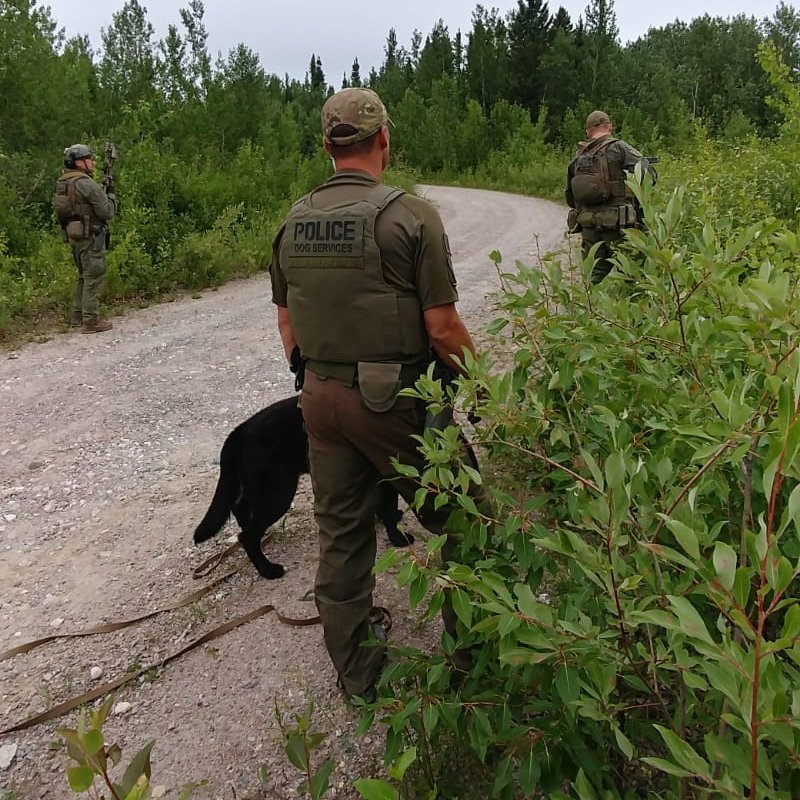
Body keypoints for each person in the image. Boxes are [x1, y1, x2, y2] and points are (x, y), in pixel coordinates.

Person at [269, 87, 479, 702]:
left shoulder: (292, 220)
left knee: (341, 534)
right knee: (469, 523)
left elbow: (287, 323)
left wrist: (317, 380)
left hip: (319, 400)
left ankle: (359, 677)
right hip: (397, 403)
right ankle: (471, 665)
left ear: (326, 145)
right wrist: (479, 382)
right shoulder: (410, 216)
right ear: (384, 138)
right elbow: (442, 329)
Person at [565, 110, 656, 284]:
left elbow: (570, 197)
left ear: (588, 131)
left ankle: (588, 309)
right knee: (633, 277)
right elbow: (649, 177)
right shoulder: (619, 147)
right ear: (610, 127)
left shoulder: (578, 157)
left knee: (592, 279)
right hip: (618, 226)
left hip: (589, 227)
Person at [53, 144, 116, 333]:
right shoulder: (86, 183)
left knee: (82, 276)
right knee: (93, 276)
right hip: (91, 235)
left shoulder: (63, 182)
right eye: (88, 158)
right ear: (79, 162)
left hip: (75, 235)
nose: (92, 162)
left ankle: (77, 316)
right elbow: (107, 212)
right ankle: (91, 321)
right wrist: (111, 193)